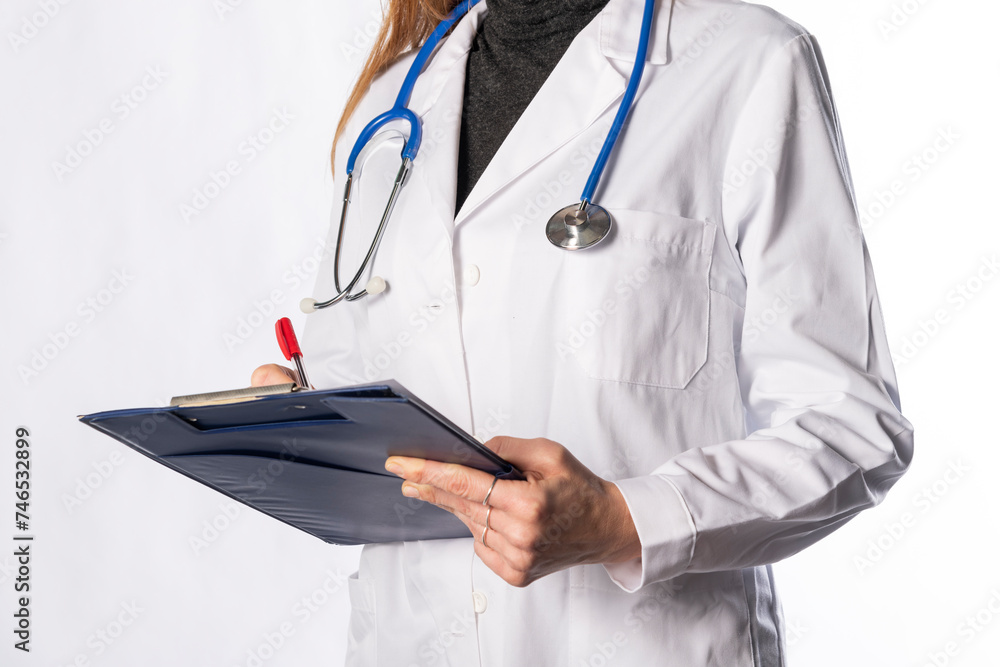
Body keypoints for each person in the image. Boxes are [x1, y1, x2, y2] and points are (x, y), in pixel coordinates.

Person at [253, 0, 914, 664]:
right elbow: (365, 381)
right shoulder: (387, 109)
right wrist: (297, 411)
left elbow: (849, 425)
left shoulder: (748, 62)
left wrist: (623, 521)